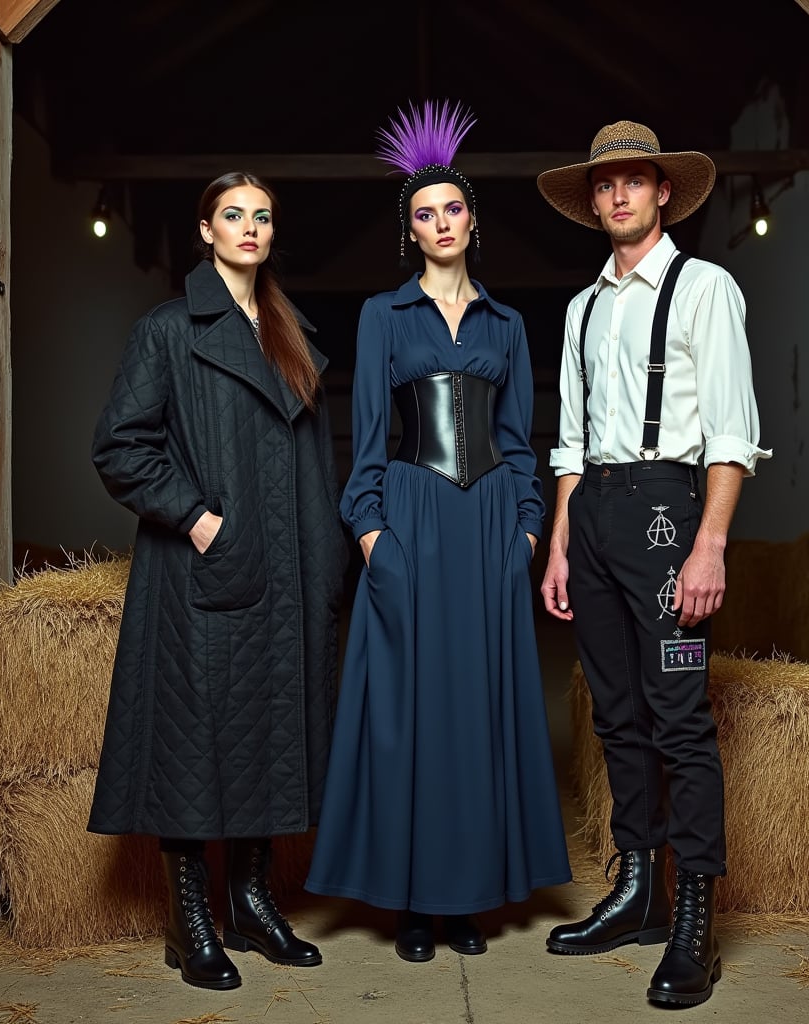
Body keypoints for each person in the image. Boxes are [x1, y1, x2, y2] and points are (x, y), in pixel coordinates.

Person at [304, 99, 572, 962]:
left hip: (491, 523)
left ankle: (469, 902)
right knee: (408, 714)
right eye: (424, 214)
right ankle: (413, 904)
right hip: (411, 520)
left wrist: (527, 536)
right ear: (410, 231)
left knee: (478, 711)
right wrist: (373, 535)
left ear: (472, 219)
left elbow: (524, 444)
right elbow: (367, 440)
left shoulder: (507, 324)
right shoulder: (385, 316)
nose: (441, 223)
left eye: (452, 208)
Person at [88, 171, 348, 990]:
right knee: (194, 740)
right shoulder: (168, 330)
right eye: (233, 215)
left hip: (289, 570)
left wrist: (327, 556)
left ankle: (253, 903)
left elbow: (316, 459)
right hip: (208, 570)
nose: (249, 228)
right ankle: (188, 920)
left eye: (261, 216)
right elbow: (121, 447)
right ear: (205, 231)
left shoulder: (291, 331)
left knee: (272, 734)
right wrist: (200, 519)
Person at [536, 121, 771, 1007]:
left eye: (634, 180)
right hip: (593, 513)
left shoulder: (705, 286)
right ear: (592, 200)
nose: (619, 196)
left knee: (679, 719)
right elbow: (568, 440)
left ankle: (693, 919)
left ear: (662, 191)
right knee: (617, 715)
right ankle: (637, 891)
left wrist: (710, 542)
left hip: (672, 514)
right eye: (604, 185)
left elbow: (733, 430)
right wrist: (561, 541)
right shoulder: (582, 307)